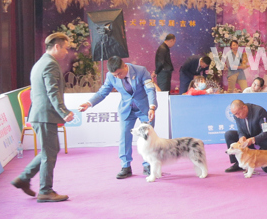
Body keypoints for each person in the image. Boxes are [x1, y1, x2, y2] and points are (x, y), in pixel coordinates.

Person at [11, 33, 74, 203]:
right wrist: (64, 112)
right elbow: (52, 92)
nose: (67, 52)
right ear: (57, 46)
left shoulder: (41, 63)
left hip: (41, 115)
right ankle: (45, 191)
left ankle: (24, 178)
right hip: (45, 115)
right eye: (66, 48)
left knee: (51, 150)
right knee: (49, 153)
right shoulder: (50, 65)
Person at [79, 56, 159, 179]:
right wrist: (89, 103)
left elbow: (150, 89)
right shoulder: (110, 76)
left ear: (125, 66)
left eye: (119, 73)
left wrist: (152, 107)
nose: (117, 77)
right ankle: (125, 166)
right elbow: (102, 92)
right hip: (126, 110)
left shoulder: (141, 71)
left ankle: (148, 165)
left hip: (145, 109)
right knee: (124, 137)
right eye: (114, 75)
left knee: (147, 137)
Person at [224, 99, 267, 172]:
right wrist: (242, 137)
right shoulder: (236, 115)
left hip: (263, 140)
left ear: (244, 108)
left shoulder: (260, 111)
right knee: (229, 134)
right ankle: (239, 162)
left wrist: (253, 139)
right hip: (247, 141)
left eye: (237, 113)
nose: (237, 116)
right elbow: (240, 130)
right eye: (235, 114)